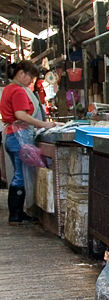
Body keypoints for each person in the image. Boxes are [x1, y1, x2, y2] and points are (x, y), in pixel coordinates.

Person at [1, 60, 56, 225]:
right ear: (21, 74)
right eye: (30, 78)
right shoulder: (18, 91)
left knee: (19, 175)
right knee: (20, 176)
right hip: (19, 138)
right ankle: (15, 216)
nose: (31, 82)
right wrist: (43, 124)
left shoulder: (9, 89)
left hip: (12, 136)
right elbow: (20, 114)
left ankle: (18, 214)